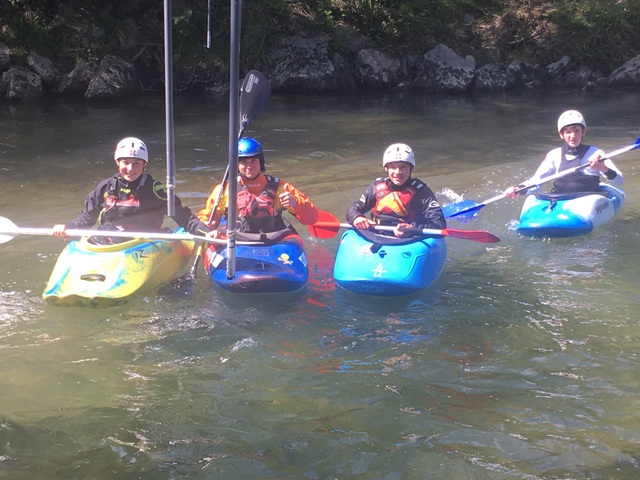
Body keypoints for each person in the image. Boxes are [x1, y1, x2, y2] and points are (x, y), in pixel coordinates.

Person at [52, 137, 210, 242]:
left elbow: (185, 218)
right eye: (125, 162)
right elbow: (87, 218)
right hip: (108, 242)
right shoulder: (105, 188)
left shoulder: (157, 190)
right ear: (117, 163)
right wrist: (68, 229)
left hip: (144, 244)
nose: (130, 168)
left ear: (144, 164)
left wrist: (206, 232)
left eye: (136, 163)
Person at [197, 137, 318, 235]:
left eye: (253, 161)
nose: (249, 166)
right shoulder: (225, 190)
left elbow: (311, 219)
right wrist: (209, 228)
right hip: (237, 240)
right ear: (237, 165)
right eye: (244, 162)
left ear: (261, 162)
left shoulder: (281, 187)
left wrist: (295, 203)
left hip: (273, 240)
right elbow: (206, 218)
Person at [505, 110, 623, 198]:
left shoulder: (596, 153)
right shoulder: (554, 155)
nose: (573, 136)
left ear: (583, 132)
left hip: (589, 199)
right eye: (568, 132)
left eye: (577, 131)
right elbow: (536, 182)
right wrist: (518, 189)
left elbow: (618, 181)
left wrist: (602, 168)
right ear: (561, 134)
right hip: (561, 199)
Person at [346, 143, 446, 238]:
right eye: (393, 167)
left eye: (403, 167)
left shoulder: (421, 192)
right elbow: (353, 209)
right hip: (377, 234)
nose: (397, 172)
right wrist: (356, 217)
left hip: (409, 238)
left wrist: (413, 229)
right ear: (386, 169)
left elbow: (439, 224)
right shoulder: (377, 187)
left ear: (411, 168)